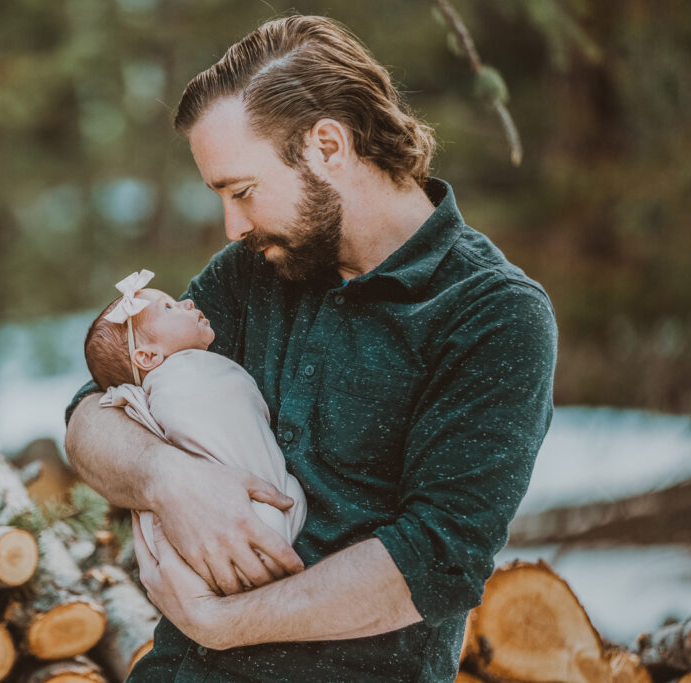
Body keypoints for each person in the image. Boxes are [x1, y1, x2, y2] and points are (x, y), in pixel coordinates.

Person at [64, 14, 557, 682]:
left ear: (328, 146)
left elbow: (437, 557)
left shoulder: (494, 314)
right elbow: (93, 416)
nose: (233, 225)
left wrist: (223, 622)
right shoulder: (250, 272)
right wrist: (169, 478)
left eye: (243, 192)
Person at [83, 269, 306, 572]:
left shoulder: (196, 369)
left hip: (271, 487)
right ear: (148, 357)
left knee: (288, 496)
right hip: (228, 506)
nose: (187, 304)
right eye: (169, 308)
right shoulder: (171, 384)